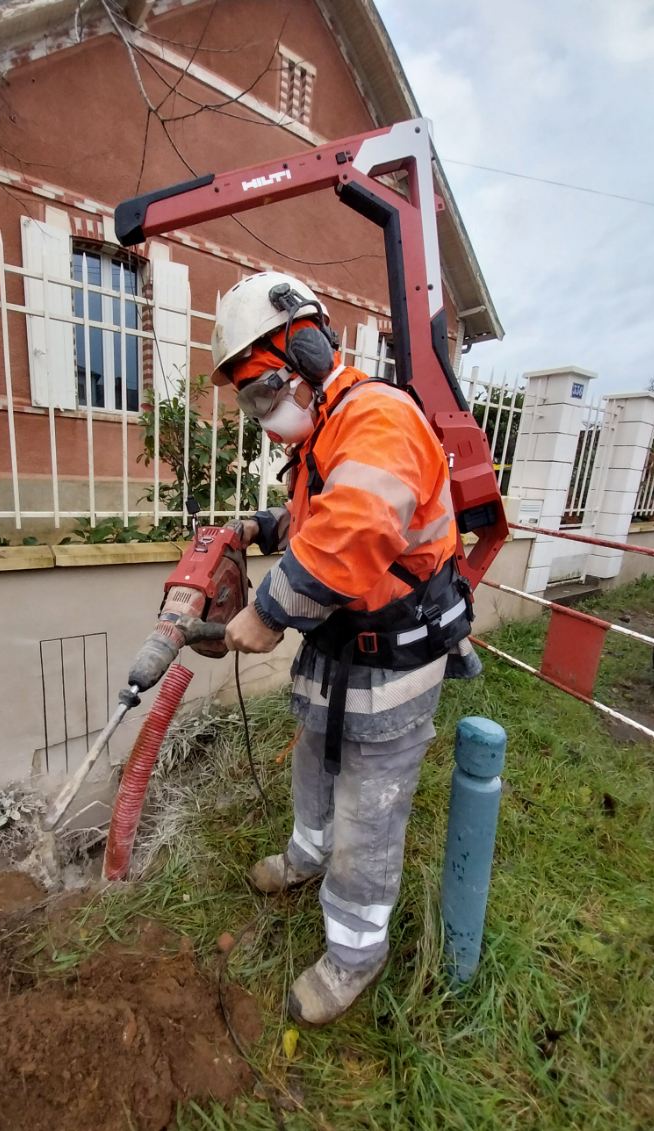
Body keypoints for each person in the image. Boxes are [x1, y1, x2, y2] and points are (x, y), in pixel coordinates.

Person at [217, 271, 480, 1026]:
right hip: (342, 650)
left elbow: (357, 525)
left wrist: (267, 610)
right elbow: (318, 512)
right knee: (315, 758)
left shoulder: (378, 416)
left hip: (393, 660)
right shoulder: (328, 429)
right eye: (249, 402)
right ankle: (306, 854)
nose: (264, 418)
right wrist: (261, 529)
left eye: (264, 394)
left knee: (371, 807)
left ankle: (354, 955)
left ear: (306, 349)